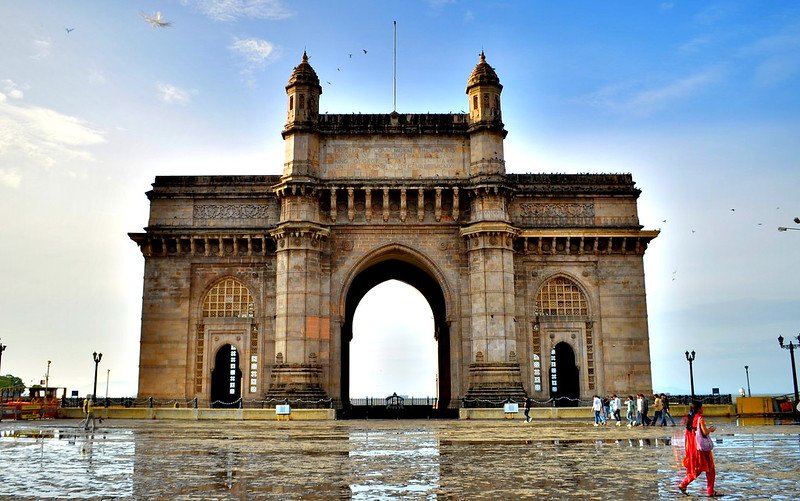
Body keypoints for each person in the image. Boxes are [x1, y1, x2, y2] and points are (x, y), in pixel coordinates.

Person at [679, 401, 721, 496]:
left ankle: (683, 483)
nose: (702, 409)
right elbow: (705, 432)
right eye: (701, 407)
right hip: (701, 448)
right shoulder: (700, 418)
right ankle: (710, 491)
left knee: (697, 468)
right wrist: (711, 429)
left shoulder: (688, 419)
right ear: (698, 409)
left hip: (693, 448)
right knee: (710, 469)